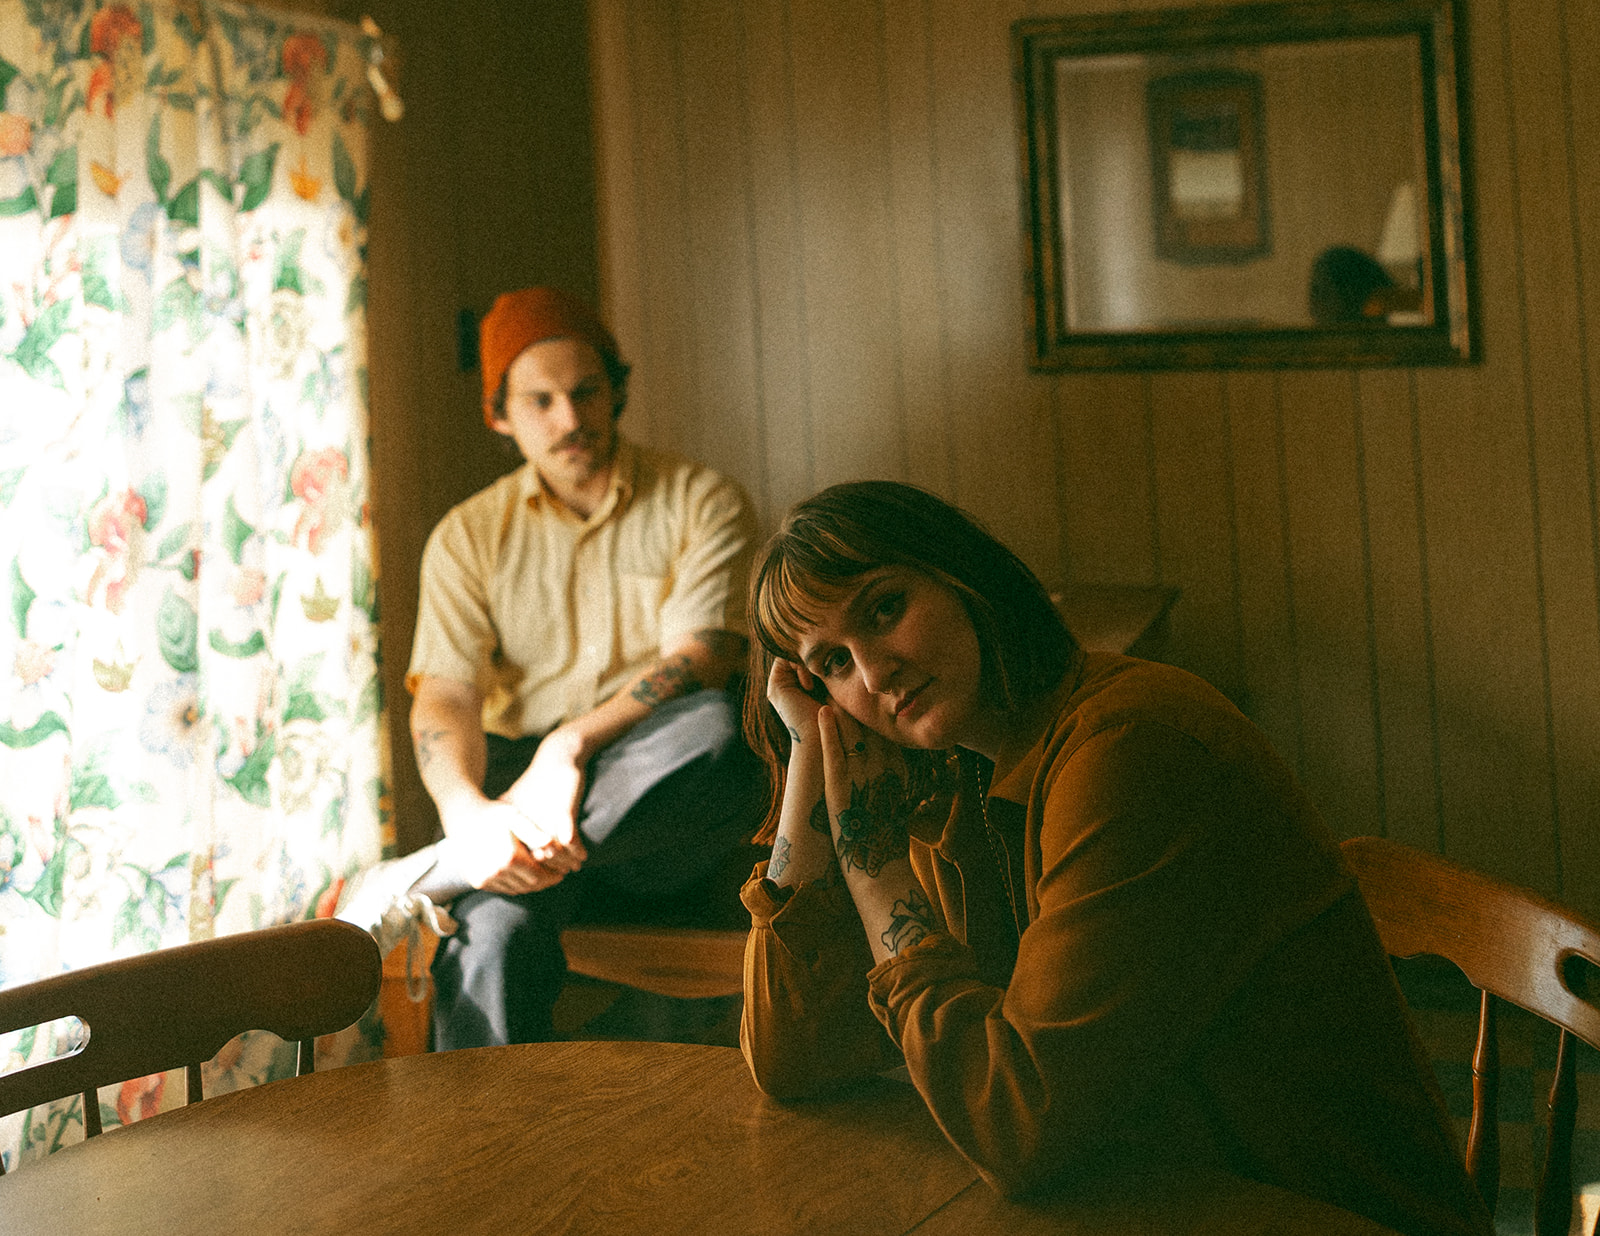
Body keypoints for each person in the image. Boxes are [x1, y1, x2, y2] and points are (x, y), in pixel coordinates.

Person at [738, 481, 1491, 1236]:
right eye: (833, 662)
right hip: (1146, 1202)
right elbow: (791, 1060)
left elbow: (1018, 1126)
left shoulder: (1128, 747)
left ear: (960, 575)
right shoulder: (957, 776)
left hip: (1321, 1214)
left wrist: (871, 866)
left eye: (884, 609)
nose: (874, 674)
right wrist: (810, 754)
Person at [397, 286, 766, 1049]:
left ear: (617, 391)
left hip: (655, 809)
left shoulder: (702, 501)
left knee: (721, 733)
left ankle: (459, 867)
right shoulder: (468, 535)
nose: (569, 419)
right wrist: (469, 813)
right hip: (517, 792)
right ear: (501, 415)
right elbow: (446, 695)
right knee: (489, 943)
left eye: (586, 392)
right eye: (541, 401)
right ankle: (482, 1161)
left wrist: (569, 748)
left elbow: (703, 657)